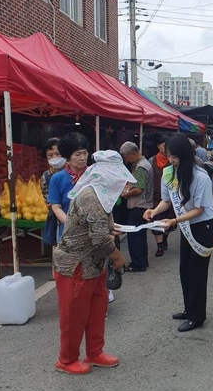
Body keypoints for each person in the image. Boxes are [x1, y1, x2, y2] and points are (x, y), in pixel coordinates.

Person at [53, 151, 135, 375]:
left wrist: (111, 230)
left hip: (93, 263)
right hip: (76, 264)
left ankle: (94, 352)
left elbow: (99, 229)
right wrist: (117, 257)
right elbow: (98, 238)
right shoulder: (92, 196)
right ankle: (66, 360)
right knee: (74, 316)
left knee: (97, 310)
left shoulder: (99, 194)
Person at [144, 133, 213, 332]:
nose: (171, 160)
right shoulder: (169, 173)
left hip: (202, 227)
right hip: (186, 226)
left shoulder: (201, 177)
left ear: (185, 155)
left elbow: (200, 209)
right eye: (169, 156)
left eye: (174, 157)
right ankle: (188, 309)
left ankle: (197, 317)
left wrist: (174, 220)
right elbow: (167, 201)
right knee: (185, 270)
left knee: (197, 273)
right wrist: (155, 211)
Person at [48, 132, 89, 242]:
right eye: (77, 154)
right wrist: (71, 224)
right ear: (67, 157)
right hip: (68, 234)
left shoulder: (94, 175)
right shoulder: (57, 179)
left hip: (93, 234)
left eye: (85, 153)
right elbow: (56, 207)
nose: (82, 158)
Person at [119, 142, 154, 272]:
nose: (125, 159)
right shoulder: (144, 164)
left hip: (139, 205)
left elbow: (138, 189)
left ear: (133, 154)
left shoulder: (141, 167)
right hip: (144, 205)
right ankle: (142, 261)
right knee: (140, 235)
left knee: (135, 236)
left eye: (126, 156)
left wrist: (125, 195)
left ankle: (138, 263)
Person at [149, 134, 173, 257]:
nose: (166, 148)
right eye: (164, 146)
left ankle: (165, 237)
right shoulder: (151, 161)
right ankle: (159, 246)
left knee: (170, 221)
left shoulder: (173, 161)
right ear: (159, 146)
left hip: (171, 197)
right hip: (155, 196)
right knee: (156, 221)